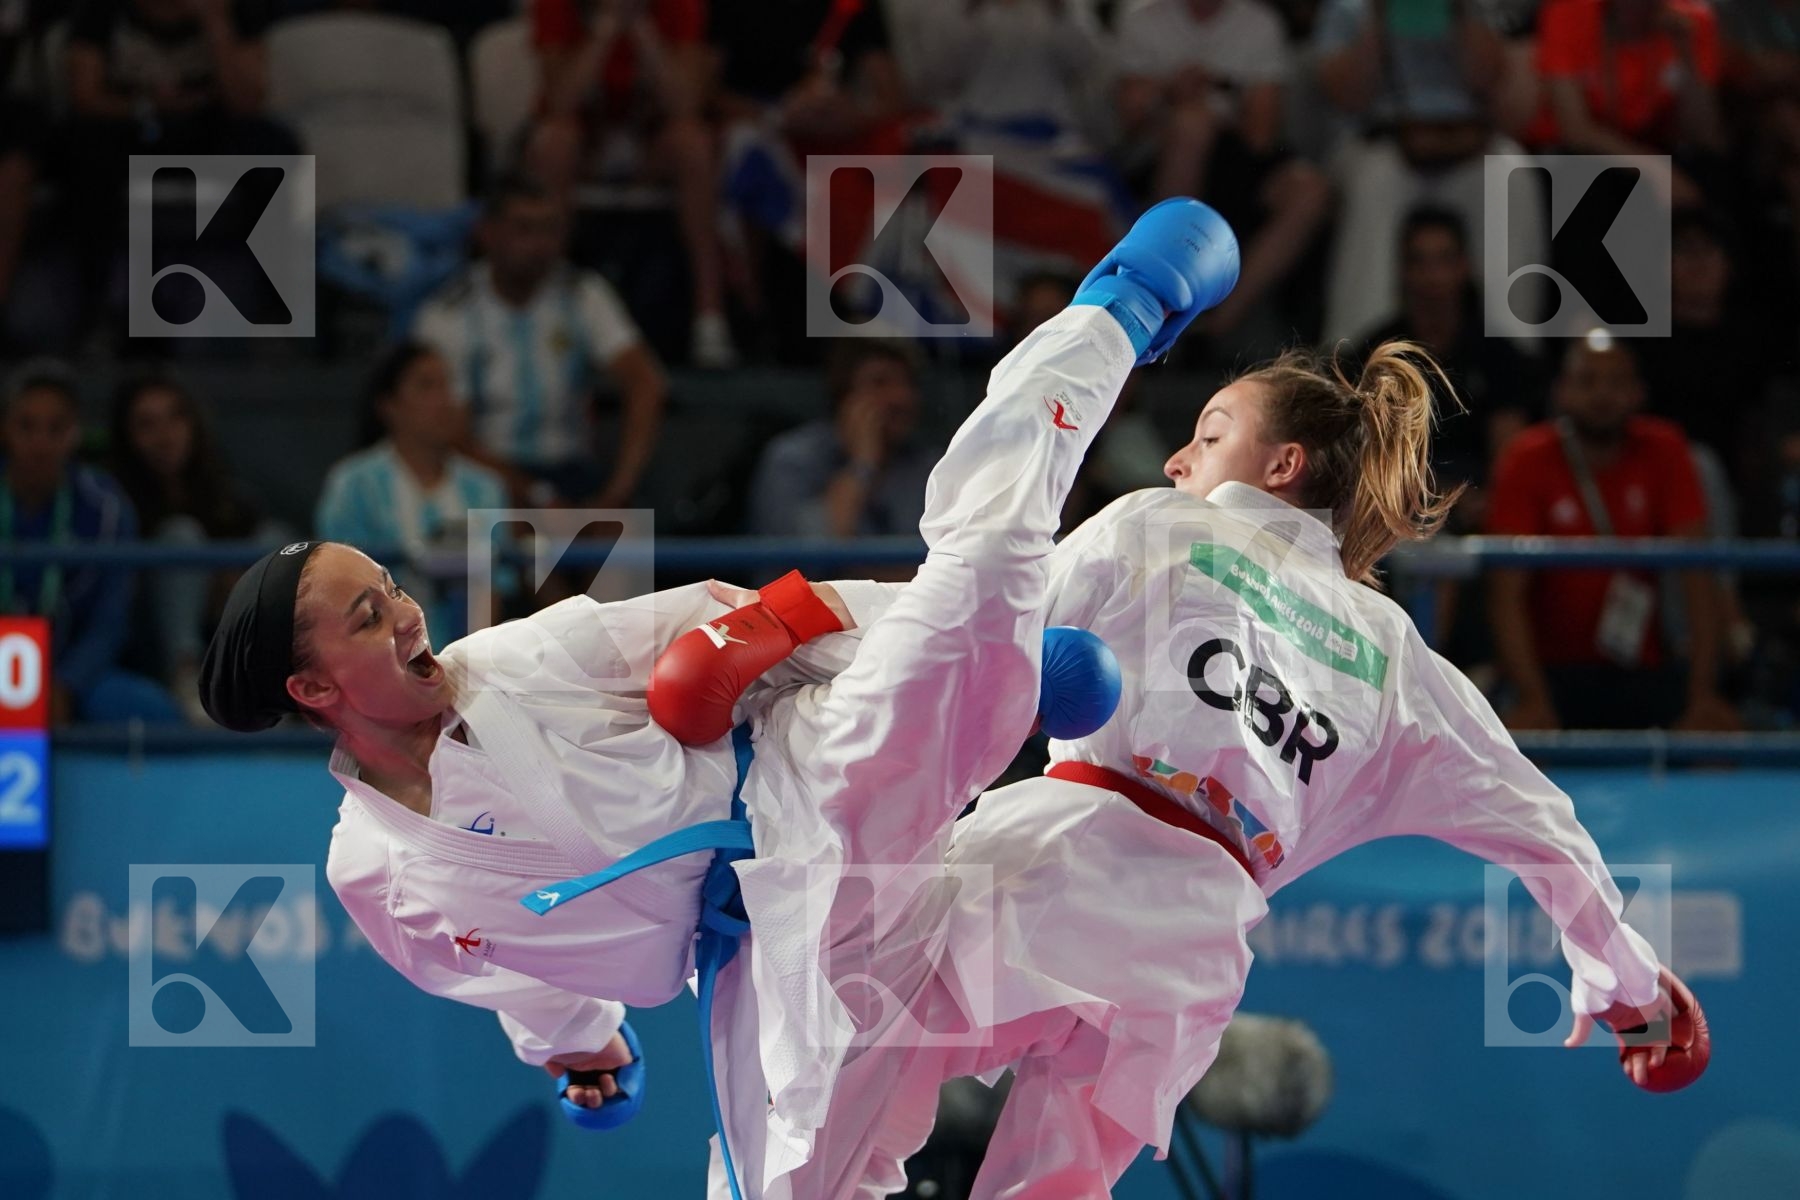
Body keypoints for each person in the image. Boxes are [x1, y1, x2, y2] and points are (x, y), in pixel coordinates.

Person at [195, 200, 1241, 1199]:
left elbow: (746, 614)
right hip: (754, 954)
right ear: (314, 688)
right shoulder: (372, 868)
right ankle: (991, 656)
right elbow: (510, 965)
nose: (409, 613)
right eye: (370, 618)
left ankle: (1123, 308)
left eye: (391, 589)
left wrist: (968, 657)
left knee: (984, 569)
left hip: (806, 778)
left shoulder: (511, 665)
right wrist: (584, 1048)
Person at [765, 339, 1708, 1199]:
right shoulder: (1400, 656)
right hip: (1193, 952)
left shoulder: (1155, 524)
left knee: (836, 1075)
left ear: (1281, 465)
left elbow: (959, 625)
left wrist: (776, 632)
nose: (1179, 461)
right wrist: (1625, 984)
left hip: (1054, 864)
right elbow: (1543, 829)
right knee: (1054, 1187)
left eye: (1208, 435)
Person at [1486, 331, 1739, 730]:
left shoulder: (1666, 448)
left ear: (1638, 393)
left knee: (1719, 736)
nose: (1602, 395)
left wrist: (1702, 694)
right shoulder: (1525, 457)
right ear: (1562, 391)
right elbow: (1506, 596)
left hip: (1645, 668)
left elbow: (1699, 579)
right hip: (1549, 674)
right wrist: (1534, 697)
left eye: (1617, 382)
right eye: (1587, 381)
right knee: (1516, 746)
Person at [412, 173, 668, 508]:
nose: (539, 245)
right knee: (504, 533)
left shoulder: (583, 294)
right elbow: (452, 436)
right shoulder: (448, 314)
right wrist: (536, 498)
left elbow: (646, 383)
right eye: (524, 229)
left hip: (572, 471)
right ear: (487, 233)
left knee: (621, 545)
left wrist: (617, 493)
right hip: (484, 477)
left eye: (549, 229)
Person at [527, 0, 737, 368]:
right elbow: (561, 100)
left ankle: (710, 315)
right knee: (552, 143)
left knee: (695, 145)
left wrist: (642, 28)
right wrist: (605, 29)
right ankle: (550, 303)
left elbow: (685, 103)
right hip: (585, 148)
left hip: (648, 147)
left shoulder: (682, 6)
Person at [1115, 0, 1333, 336]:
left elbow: (1262, 136)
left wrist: (1218, 88)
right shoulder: (1142, 19)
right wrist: (1173, 92)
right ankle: (1165, 295)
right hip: (1156, 158)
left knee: (1309, 190)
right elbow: (1127, 122)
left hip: (1237, 157)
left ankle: (1216, 322)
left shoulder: (1260, 23)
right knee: (1192, 125)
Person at [1, 361, 181, 725]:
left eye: (56, 428)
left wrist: (67, 683)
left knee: (156, 713)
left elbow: (110, 620)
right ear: (5, 429)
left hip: (77, 675)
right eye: (27, 426)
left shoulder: (107, 508)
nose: (41, 442)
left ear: (74, 434)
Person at [109, 369, 283, 724]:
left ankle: (270, 677)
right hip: (149, 641)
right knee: (180, 536)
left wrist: (227, 584)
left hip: (225, 635)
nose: (165, 435)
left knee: (274, 540)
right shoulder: (114, 501)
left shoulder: (226, 493)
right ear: (127, 435)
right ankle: (186, 678)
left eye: (176, 416)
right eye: (147, 423)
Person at [314, 342, 510, 645]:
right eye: (426, 386)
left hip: (462, 657)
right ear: (388, 405)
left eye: (447, 384)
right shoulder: (352, 486)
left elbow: (493, 587)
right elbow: (341, 590)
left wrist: (469, 663)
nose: (445, 400)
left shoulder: (484, 488)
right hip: (376, 657)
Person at [746, 340, 939, 539]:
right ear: (844, 397)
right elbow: (811, 552)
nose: (901, 397)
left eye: (908, 384)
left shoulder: (929, 466)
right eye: (879, 383)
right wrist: (862, 464)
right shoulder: (792, 459)